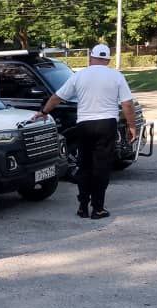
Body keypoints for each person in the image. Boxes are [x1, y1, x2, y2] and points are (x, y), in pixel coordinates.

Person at [34, 44, 136, 219]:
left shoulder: (79, 75)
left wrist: (44, 112)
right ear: (108, 60)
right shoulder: (116, 76)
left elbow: (58, 97)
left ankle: (82, 206)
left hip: (85, 125)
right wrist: (132, 126)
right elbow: (127, 104)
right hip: (106, 124)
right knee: (101, 167)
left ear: (91, 58)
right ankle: (98, 208)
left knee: (85, 165)